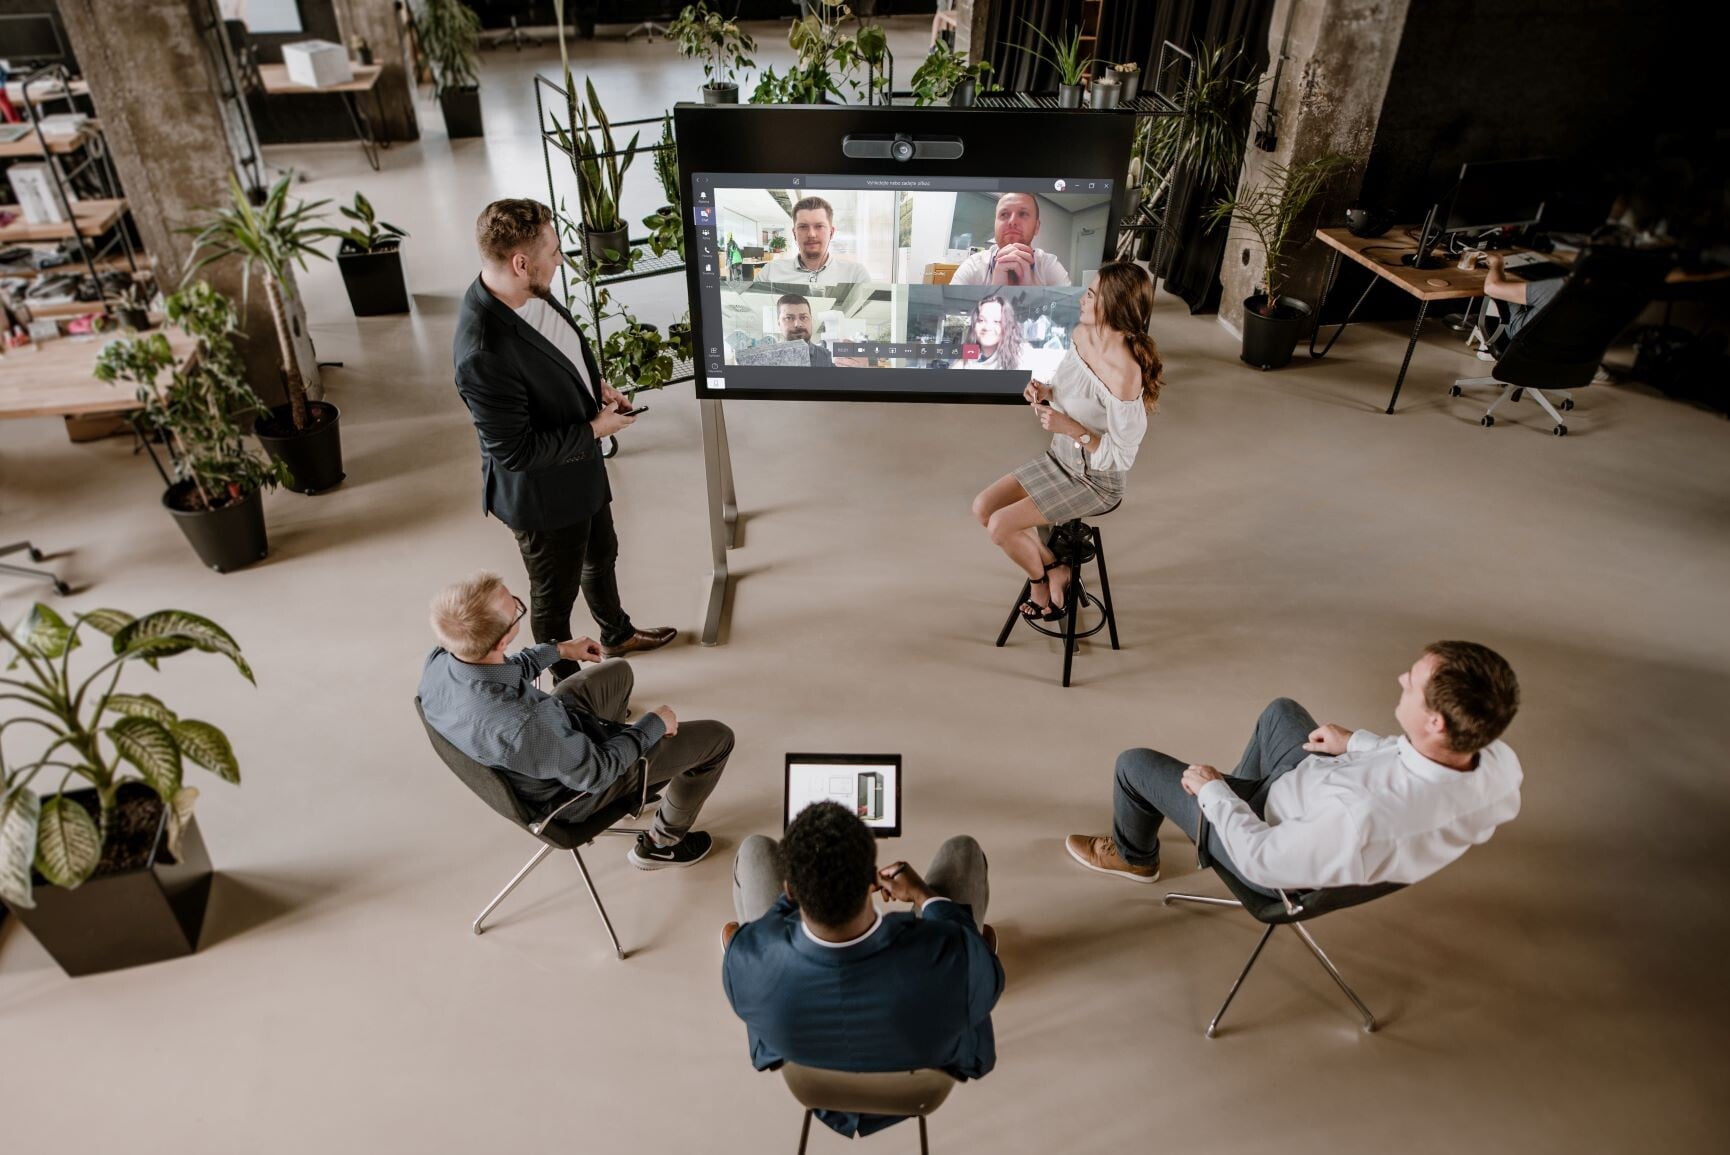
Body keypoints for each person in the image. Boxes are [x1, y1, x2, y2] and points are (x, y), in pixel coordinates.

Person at [1065, 642, 1523, 894]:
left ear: (1436, 722)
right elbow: (1412, 759)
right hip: (1307, 794)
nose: (1403, 678)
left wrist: (1217, 796)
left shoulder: (1360, 817)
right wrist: (1356, 743)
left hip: (1265, 841)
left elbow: (1262, 861)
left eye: (1413, 683)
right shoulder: (1497, 763)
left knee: (1133, 765)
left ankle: (1135, 858)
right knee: (1281, 712)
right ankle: (1217, 817)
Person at [453, 198, 676, 684]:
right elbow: (515, 452)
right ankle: (574, 689)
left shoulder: (528, 289)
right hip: (544, 499)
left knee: (602, 554)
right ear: (520, 263)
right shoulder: (482, 353)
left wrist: (595, 389)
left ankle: (616, 633)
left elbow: (560, 353)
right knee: (554, 602)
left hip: (581, 469)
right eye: (553, 252)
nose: (560, 259)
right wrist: (595, 429)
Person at [722, 802, 1003, 1139]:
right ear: (873, 877)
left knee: (754, 849)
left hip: (814, 1085)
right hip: (919, 1082)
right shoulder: (951, 958)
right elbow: (992, 979)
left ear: (791, 889)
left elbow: (763, 930)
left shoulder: (747, 958)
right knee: (963, 850)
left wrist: (803, 892)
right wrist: (923, 895)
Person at [419, 572, 731, 868]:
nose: (517, 603)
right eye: (516, 608)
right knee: (717, 738)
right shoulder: (525, 725)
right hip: (578, 787)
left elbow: (499, 673)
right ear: (501, 641)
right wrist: (652, 726)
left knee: (617, 672)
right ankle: (661, 844)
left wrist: (559, 650)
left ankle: (632, 775)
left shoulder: (441, 661)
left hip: (555, 740)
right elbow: (597, 772)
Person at [971, 262, 1162, 621]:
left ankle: (1038, 583)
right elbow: (1066, 388)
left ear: (1112, 305)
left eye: (1090, 295)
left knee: (1001, 526)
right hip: (1060, 458)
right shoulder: (1082, 334)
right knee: (983, 508)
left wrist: (1072, 428)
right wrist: (1045, 391)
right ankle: (1056, 567)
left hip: (1095, 481)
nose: (1081, 300)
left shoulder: (1125, 374)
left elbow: (1121, 456)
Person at [950, 193, 1071, 286]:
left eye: (1023, 214)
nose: (1012, 221)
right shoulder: (973, 266)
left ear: (1036, 227)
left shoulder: (1049, 266)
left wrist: (1030, 294)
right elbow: (949, 311)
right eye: (1004, 214)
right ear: (995, 224)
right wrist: (995, 293)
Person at [759, 196, 871, 285]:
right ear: (794, 233)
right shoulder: (771, 272)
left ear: (831, 232)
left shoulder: (855, 275)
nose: (811, 234)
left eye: (819, 226)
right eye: (803, 227)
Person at [1480, 250, 1565, 352]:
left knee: (1506, 288)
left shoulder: (1557, 287)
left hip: (1525, 338)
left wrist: (1496, 263)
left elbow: (1491, 288)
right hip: (1567, 349)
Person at [957, 294, 1026, 370]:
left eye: (996, 321)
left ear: (1008, 325)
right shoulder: (968, 351)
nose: (987, 327)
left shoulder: (1023, 355)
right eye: (981, 320)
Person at [773, 293, 833, 366]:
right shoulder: (769, 360)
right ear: (779, 323)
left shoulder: (828, 358)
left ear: (811, 320)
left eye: (803, 317)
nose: (798, 324)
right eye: (789, 318)